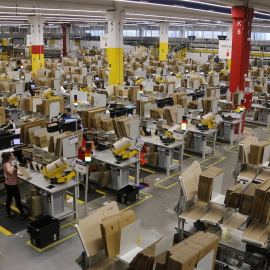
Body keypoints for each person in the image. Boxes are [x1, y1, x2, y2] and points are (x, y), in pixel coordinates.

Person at [2, 152, 28, 219]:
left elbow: (12, 172)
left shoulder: (7, 163)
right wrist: (14, 165)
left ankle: (8, 214)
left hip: (8, 184)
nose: (14, 156)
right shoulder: (8, 164)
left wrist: (18, 172)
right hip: (12, 185)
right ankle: (22, 213)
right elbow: (10, 171)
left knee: (9, 199)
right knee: (17, 199)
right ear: (9, 157)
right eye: (12, 155)